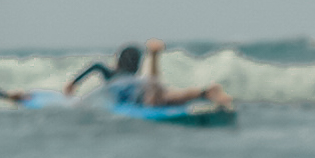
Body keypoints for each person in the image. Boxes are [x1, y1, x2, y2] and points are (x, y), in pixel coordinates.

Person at [67, 40, 230, 110]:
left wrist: (73, 84)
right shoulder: (136, 79)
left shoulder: (111, 75)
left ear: (118, 62)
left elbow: (96, 65)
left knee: (157, 98)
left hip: (142, 98)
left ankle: (154, 56)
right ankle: (205, 92)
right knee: (169, 95)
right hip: (145, 90)